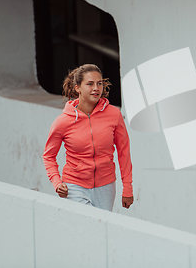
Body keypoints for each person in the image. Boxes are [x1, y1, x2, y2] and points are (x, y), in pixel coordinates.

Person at [42, 64, 134, 211]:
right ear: (77, 88)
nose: (96, 88)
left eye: (99, 84)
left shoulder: (114, 115)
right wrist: (57, 183)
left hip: (106, 186)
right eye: (90, 84)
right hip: (74, 185)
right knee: (85, 226)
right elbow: (48, 156)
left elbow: (124, 152)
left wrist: (127, 188)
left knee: (102, 229)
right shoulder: (63, 121)